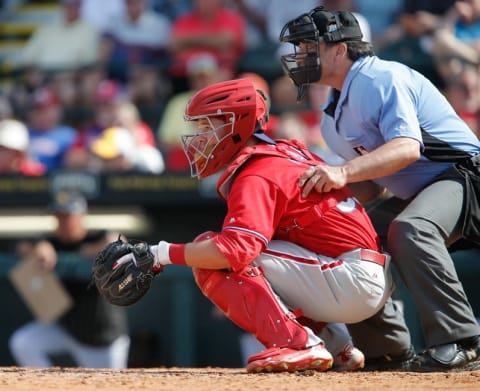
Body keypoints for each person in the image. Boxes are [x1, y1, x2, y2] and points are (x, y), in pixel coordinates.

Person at [100, 78, 395, 373]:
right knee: (240, 258)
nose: (199, 137)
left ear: (236, 124)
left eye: (207, 127)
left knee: (216, 257)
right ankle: (336, 345)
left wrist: (160, 253)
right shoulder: (283, 152)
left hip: (351, 276)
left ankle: (299, 343)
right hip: (354, 272)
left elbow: (234, 251)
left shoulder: (258, 171)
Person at [278, 6, 480, 372]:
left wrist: (342, 172)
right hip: (420, 194)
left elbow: (407, 147)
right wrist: (323, 203)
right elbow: (372, 188)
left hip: (466, 178)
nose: (301, 56)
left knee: (411, 228)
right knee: (353, 240)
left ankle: (460, 341)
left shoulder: (378, 76)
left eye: (310, 47)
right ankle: (386, 349)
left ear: (340, 49)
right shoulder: (331, 115)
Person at [9, 191, 130, 368]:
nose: (62, 222)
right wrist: (38, 247)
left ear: (81, 216)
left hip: (102, 337)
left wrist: (83, 254)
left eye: (67, 216)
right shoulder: (51, 241)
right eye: (59, 217)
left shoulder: (96, 236)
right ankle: (46, 386)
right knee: (24, 342)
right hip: (66, 328)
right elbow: (21, 246)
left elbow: (119, 243)